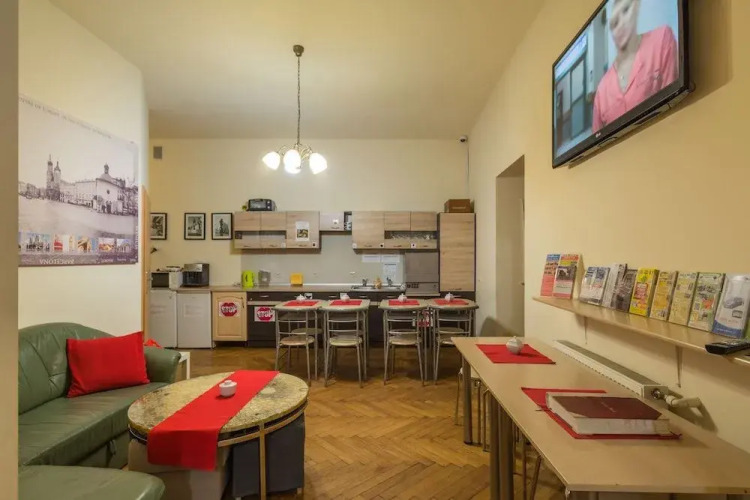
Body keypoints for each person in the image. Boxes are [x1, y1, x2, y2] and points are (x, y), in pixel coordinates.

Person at [592, 0, 678, 133]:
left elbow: (675, 105)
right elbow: (597, 140)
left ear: (636, 6)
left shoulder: (661, 40)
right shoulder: (602, 90)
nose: (621, 25)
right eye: (614, 23)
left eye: (626, 10)